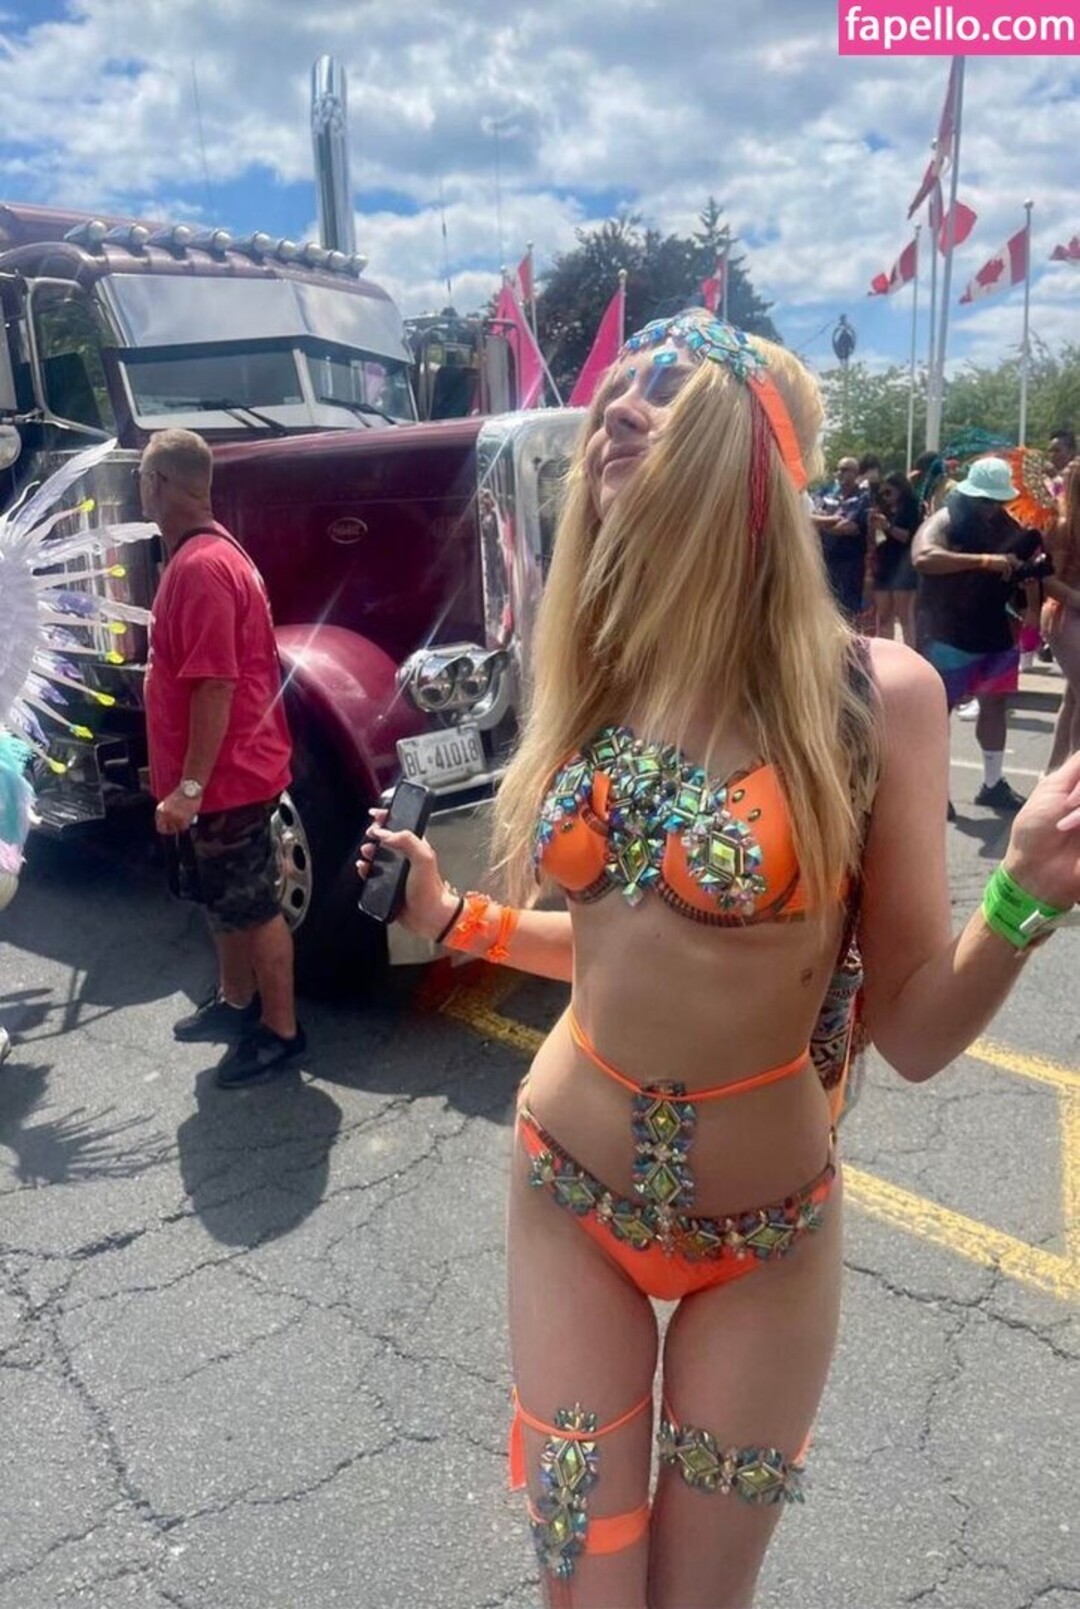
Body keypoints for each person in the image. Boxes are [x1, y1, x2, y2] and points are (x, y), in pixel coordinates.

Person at [356, 311, 1080, 1609]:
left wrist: (1021, 895)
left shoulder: (876, 696)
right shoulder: (599, 665)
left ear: (758, 449)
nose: (619, 410)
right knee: (588, 1588)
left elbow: (914, 1030)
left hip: (768, 1239)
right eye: (614, 393)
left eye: (667, 386)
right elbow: (619, 947)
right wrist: (452, 915)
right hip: (566, 1194)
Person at [140, 429, 304, 1088]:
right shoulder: (208, 554)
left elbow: (215, 684)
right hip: (223, 777)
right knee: (224, 901)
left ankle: (281, 1032)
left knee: (254, 906)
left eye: (143, 480)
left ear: (158, 484)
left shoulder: (201, 567)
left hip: (229, 779)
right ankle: (237, 1003)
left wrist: (189, 785)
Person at [913, 455, 1043, 815]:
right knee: (939, 711)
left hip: (994, 630)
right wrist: (984, 560)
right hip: (947, 631)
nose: (990, 506)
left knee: (995, 704)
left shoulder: (1010, 526)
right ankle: (935, 790)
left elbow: (1025, 570)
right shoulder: (945, 519)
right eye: (984, 499)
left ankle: (992, 783)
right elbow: (923, 556)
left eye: (996, 500)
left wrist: (1026, 586)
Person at [1043, 459, 1080, 770]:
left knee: (1072, 698)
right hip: (1065, 615)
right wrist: (1076, 598)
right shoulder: (1063, 524)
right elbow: (1047, 579)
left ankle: (1053, 773)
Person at [811, 454, 869, 621]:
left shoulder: (863, 497)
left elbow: (848, 527)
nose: (839, 473)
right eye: (838, 470)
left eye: (845, 470)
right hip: (826, 561)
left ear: (856, 473)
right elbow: (812, 518)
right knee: (825, 609)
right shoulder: (828, 495)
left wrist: (822, 521)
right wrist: (832, 521)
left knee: (848, 611)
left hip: (849, 564)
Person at [869, 470, 920, 645]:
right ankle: (887, 654)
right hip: (884, 564)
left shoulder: (912, 508)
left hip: (903, 564)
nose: (885, 497)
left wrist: (887, 526)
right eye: (882, 494)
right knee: (883, 616)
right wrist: (873, 525)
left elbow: (908, 537)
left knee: (905, 617)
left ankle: (911, 655)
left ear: (901, 489)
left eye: (888, 492)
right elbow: (874, 540)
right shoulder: (883, 508)